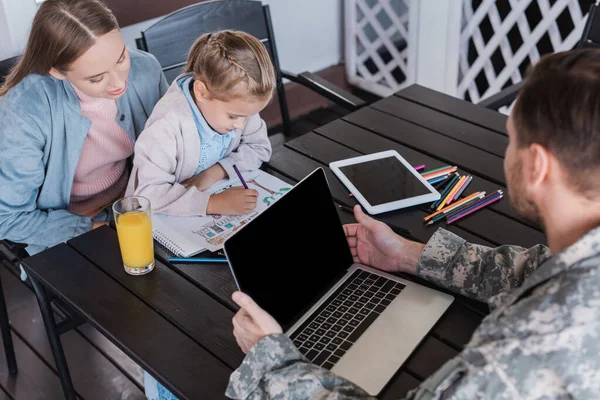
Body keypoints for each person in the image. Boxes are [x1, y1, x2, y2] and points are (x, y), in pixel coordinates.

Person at [225, 48, 600, 399]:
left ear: (537, 166)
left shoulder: (532, 342)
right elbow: (537, 270)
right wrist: (408, 256)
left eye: (509, 140)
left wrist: (270, 362)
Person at [0, 0, 168, 257]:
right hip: (69, 231)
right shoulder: (25, 109)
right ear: (56, 71)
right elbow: (8, 217)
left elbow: (171, 150)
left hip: (141, 207)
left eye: (121, 57)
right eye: (97, 77)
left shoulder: (146, 68)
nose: (118, 82)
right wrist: (99, 228)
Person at [126, 30, 275, 217]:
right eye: (233, 117)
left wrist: (215, 172)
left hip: (210, 195)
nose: (242, 126)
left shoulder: (238, 105)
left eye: (248, 116)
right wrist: (211, 204)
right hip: (155, 223)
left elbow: (259, 147)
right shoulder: (165, 128)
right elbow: (148, 196)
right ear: (201, 92)